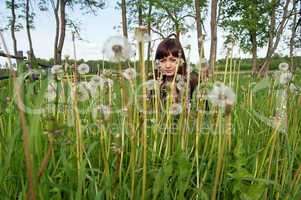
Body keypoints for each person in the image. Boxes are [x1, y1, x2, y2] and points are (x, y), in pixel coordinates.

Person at [148, 34, 206, 106]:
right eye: (163, 61)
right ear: (157, 63)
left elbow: (204, 112)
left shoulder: (193, 82)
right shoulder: (153, 85)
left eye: (173, 60)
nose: (168, 65)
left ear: (181, 60)